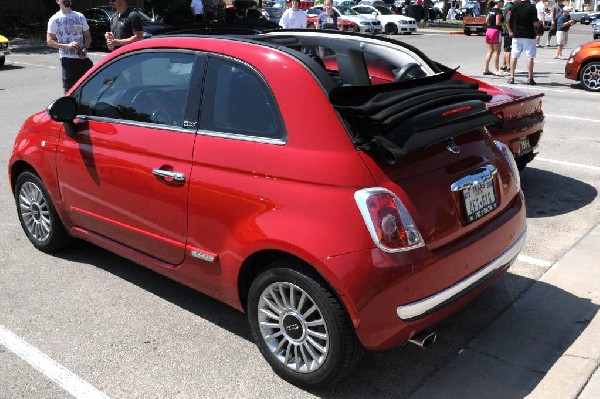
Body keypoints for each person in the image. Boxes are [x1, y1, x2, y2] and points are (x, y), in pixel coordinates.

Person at [47, 0, 93, 93]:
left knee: (91, 86)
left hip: (83, 58)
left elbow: (88, 37)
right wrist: (67, 46)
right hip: (68, 60)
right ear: (58, 1)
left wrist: (84, 48)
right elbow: (50, 41)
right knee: (70, 91)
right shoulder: (54, 19)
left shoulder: (80, 16)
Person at [506, 0, 541, 85]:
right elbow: (535, 22)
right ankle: (530, 78)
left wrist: (510, 30)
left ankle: (511, 77)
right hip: (529, 35)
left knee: (514, 56)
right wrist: (540, 24)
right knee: (530, 56)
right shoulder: (532, 7)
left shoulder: (513, 6)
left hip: (516, 35)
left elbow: (507, 19)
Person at [483, 0, 505, 76]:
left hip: (489, 30)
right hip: (496, 31)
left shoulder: (491, 10)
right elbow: (498, 23)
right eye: (502, 2)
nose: (503, 3)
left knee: (490, 50)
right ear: (498, 2)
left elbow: (486, 21)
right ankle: (496, 70)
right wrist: (506, 23)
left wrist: (491, 25)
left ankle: (486, 69)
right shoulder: (498, 11)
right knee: (497, 52)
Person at [500, 0, 514, 72]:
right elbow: (507, 20)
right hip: (508, 31)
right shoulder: (510, 7)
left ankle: (504, 65)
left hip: (506, 30)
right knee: (508, 49)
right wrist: (510, 31)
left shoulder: (508, 6)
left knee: (506, 49)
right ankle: (508, 66)